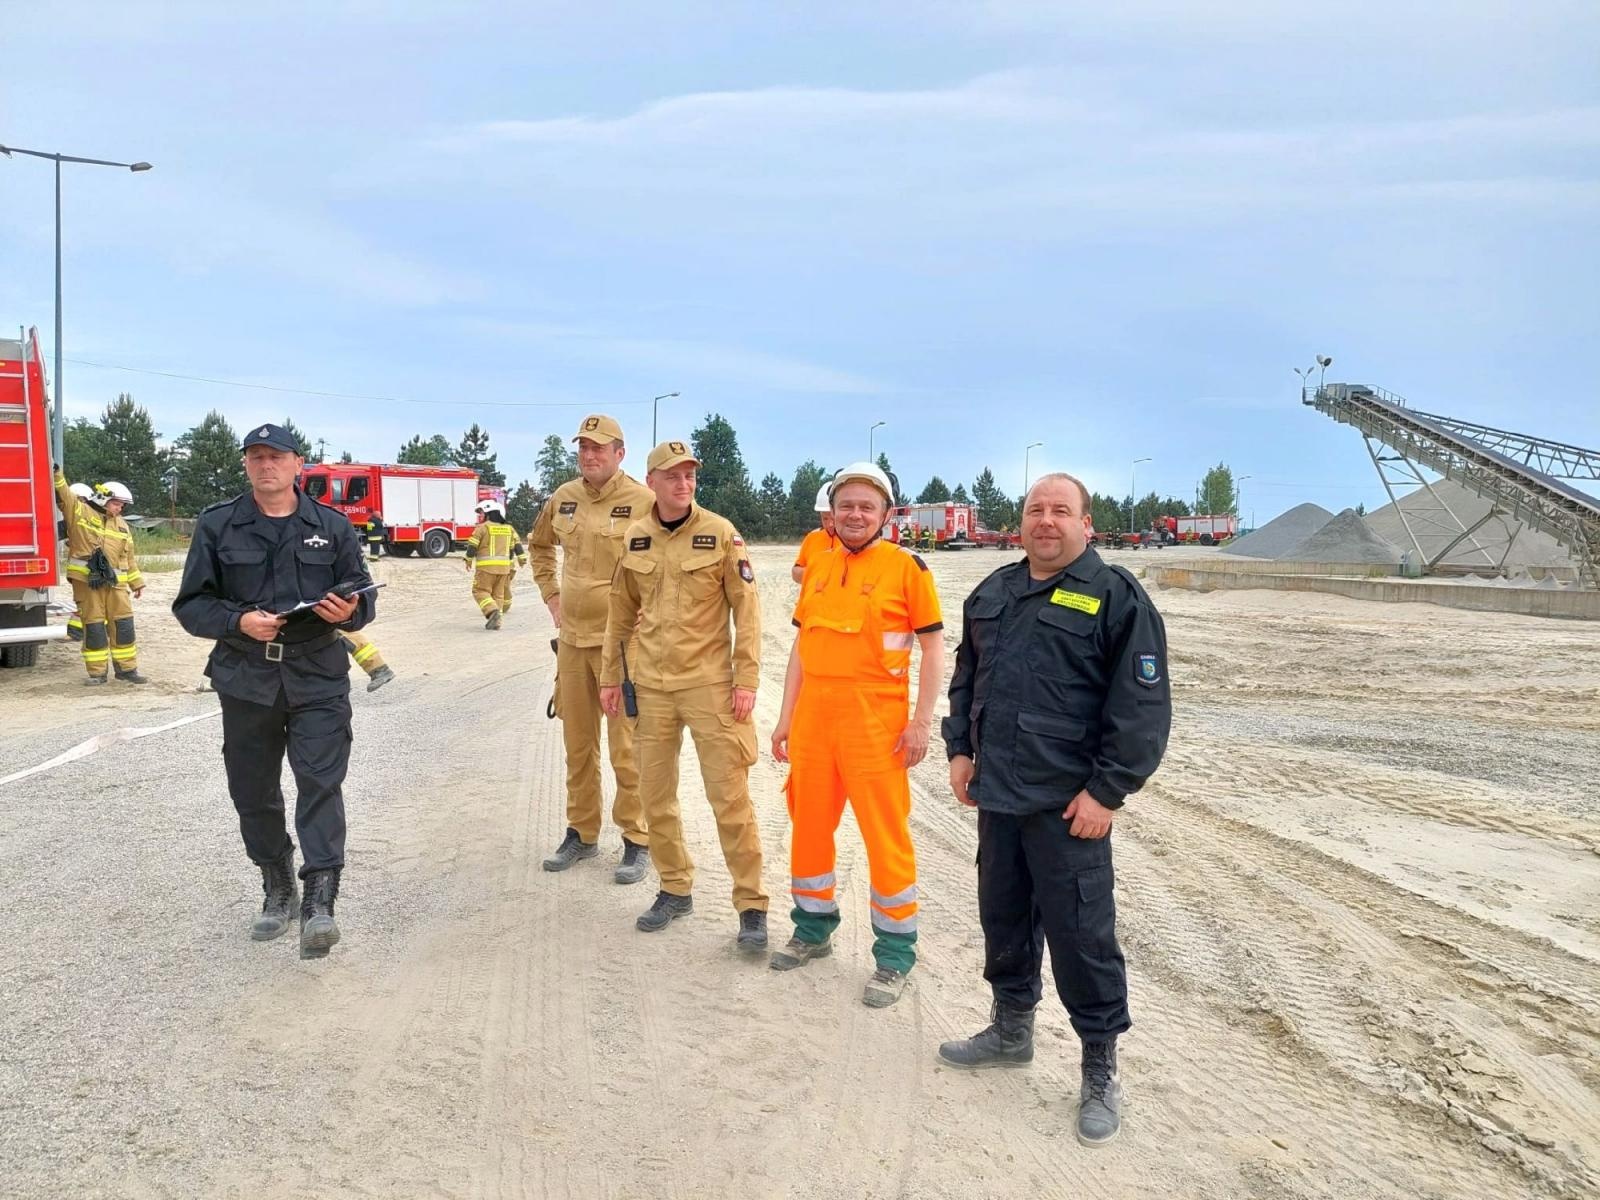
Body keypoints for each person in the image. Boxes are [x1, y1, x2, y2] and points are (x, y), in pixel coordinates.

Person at [937, 472, 1171, 1148]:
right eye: (1036, 509)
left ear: (1085, 524)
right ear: (1021, 523)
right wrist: (959, 749)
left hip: (1070, 807)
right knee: (1002, 916)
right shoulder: (994, 592)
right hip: (999, 797)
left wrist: (1107, 792)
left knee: (1081, 938)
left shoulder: (1115, 597)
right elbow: (965, 678)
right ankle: (1011, 1030)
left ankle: (1099, 1068)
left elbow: (1143, 708)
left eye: (1060, 510)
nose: (1046, 520)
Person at [172, 422, 376, 961]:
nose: (266, 465)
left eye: (276, 456)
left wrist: (351, 610)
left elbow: (363, 597)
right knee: (253, 790)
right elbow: (191, 605)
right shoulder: (218, 525)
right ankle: (277, 884)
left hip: (317, 675)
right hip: (246, 679)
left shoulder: (331, 526)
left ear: (296, 464)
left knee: (320, 782)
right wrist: (239, 622)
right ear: (246, 465)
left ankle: (320, 901)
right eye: (256, 456)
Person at [768, 461, 944, 1007]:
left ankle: (894, 956)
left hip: (877, 726)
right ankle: (813, 930)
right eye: (846, 504)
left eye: (867, 506)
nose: (855, 514)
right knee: (810, 827)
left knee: (884, 837)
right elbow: (801, 648)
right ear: (832, 511)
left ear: (887, 514)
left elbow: (933, 648)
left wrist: (919, 723)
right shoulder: (818, 565)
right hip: (816, 721)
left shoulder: (907, 568)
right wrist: (784, 717)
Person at [599, 440, 768, 950]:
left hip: (710, 687)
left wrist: (746, 680)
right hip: (651, 688)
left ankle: (752, 906)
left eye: (690, 475)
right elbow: (620, 613)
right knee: (654, 794)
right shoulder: (636, 538)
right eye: (673, 476)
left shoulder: (720, 534)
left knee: (729, 797)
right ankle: (674, 887)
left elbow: (748, 611)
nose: (684, 483)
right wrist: (611, 676)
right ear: (651, 481)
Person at [527, 414, 655, 882]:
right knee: (578, 745)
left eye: (600, 447)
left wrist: (653, 607)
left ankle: (638, 839)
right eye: (584, 447)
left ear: (620, 453)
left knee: (626, 747)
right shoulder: (563, 498)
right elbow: (538, 547)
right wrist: (552, 596)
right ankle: (581, 832)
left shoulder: (644, 500)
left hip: (622, 649)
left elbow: (668, 562)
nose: (590, 454)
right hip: (574, 644)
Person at [95, 481, 149, 683]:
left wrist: (137, 583)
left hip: (118, 588)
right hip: (94, 586)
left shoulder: (123, 526)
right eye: (116, 504)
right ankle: (97, 674)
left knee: (124, 627)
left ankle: (127, 671)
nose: (120, 508)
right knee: (96, 629)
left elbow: (129, 559)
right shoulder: (90, 520)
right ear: (104, 500)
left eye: (122, 505)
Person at [464, 499, 527, 629]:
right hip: (504, 569)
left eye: (482, 513)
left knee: (480, 591)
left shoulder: (482, 528)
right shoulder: (508, 528)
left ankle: (492, 611)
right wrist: (522, 560)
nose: (481, 517)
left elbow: (472, 546)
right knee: (498, 595)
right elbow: (517, 546)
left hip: (486, 568)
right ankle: (496, 622)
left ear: (488, 513)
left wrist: (468, 560)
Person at [791, 482, 836, 583]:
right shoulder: (812, 537)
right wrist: (816, 572)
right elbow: (796, 572)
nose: (830, 524)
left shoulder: (854, 541)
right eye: (825, 518)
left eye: (834, 518)